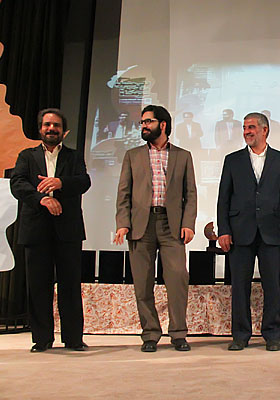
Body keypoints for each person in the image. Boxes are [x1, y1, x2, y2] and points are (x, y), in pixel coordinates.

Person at [114, 105, 197, 352]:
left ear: (162, 124)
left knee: (177, 279)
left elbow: (190, 193)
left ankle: (178, 333)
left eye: (148, 121)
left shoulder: (183, 155)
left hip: (171, 225)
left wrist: (188, 224)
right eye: (142, 122)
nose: (143, 126)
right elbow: (123, 193)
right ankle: (150, 333)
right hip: (141, 225)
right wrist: (122, 224)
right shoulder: (133, 155)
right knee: (143, 282)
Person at [10, 108, 91, 352]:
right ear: (40, 129)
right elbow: (17, 184)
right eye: (47, 125)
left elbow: (84, 181)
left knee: (70, 285)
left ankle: (73, 339)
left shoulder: (73, 157)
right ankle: (42, 339)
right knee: (38, 286)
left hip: (68, 230)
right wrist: (42, 199)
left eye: (56, 125)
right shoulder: (27, 156)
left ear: (63, 131)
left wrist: (60, 182)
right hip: (36, 229)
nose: (51, 129)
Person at [217, 112, 280, 351]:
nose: (247, 132)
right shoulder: (232, 160)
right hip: (240, 231)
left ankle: (273, 335)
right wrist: (223, 230)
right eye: (244, 128)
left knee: (272, 285)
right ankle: (240, 335)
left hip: (272, 231)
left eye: (251, 127)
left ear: (265, 130)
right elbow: (223, 199)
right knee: (240, 286)